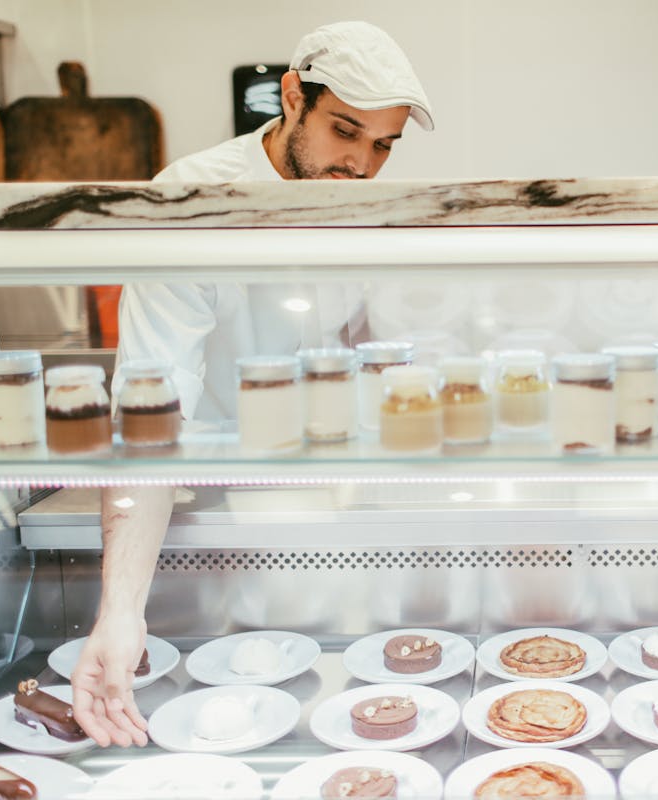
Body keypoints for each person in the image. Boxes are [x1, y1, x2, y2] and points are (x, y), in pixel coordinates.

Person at [69, 20, 433, 747]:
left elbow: (372, 349)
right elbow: (149, 414)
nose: (362, 164)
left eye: (383, 145)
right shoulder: (193, 200)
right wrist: (119, 611)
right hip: (207, 523)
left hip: (330, 511)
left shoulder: (361, 202)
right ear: (292, 97)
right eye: (345, 131)